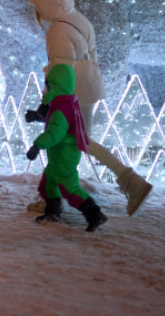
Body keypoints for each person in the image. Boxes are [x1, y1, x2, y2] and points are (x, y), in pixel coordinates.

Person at [27, 0, 152, 216]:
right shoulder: (78, 19)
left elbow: (60, 71)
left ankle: (129, 182)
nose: (38, 12)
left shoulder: (57, 29)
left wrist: (47, 102)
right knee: (79, 141)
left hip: (71, 91)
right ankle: (57, 196)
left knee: (69, 141)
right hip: (87, 86)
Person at [25, 62, 107, 231]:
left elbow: (55, 132)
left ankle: (94, 214)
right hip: (62, 155)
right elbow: (54, 119)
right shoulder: (66, 101)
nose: (46, 89)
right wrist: (37, 116)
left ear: (56, 85)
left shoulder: (61, 107)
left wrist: (37, 146)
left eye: (49, 85)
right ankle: (53, 212)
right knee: (48, 183)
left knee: (70, 188)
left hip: (64, 155)